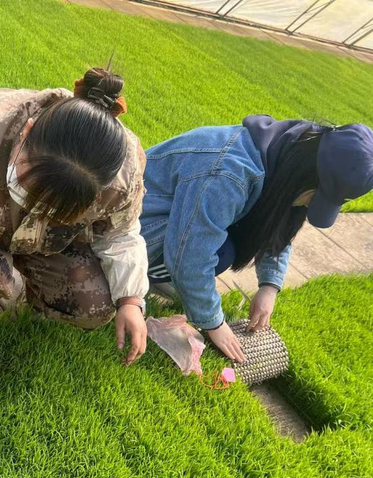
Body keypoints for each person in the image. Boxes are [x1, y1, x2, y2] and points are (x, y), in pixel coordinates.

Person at [0, 67, 149, 364]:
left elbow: (121, 233)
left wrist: (131, 300)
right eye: (31, 186)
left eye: (55, 207)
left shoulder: (122, 178)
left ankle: (33, 302)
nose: (36, 206)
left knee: (94, 305)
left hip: (46, 245)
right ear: (26, 132)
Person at [140, 115, 373, 361]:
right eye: (314, 197)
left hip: (165, 220)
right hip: (130, 228)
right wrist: (214, 323)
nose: (307, 206)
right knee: (214, 254)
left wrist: (269, 287)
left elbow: (277, 223)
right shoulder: (230, 175)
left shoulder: (282, 151)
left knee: (222, 251)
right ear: (305, 173)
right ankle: (137, 278)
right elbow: (190, 258)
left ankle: (169, 281)